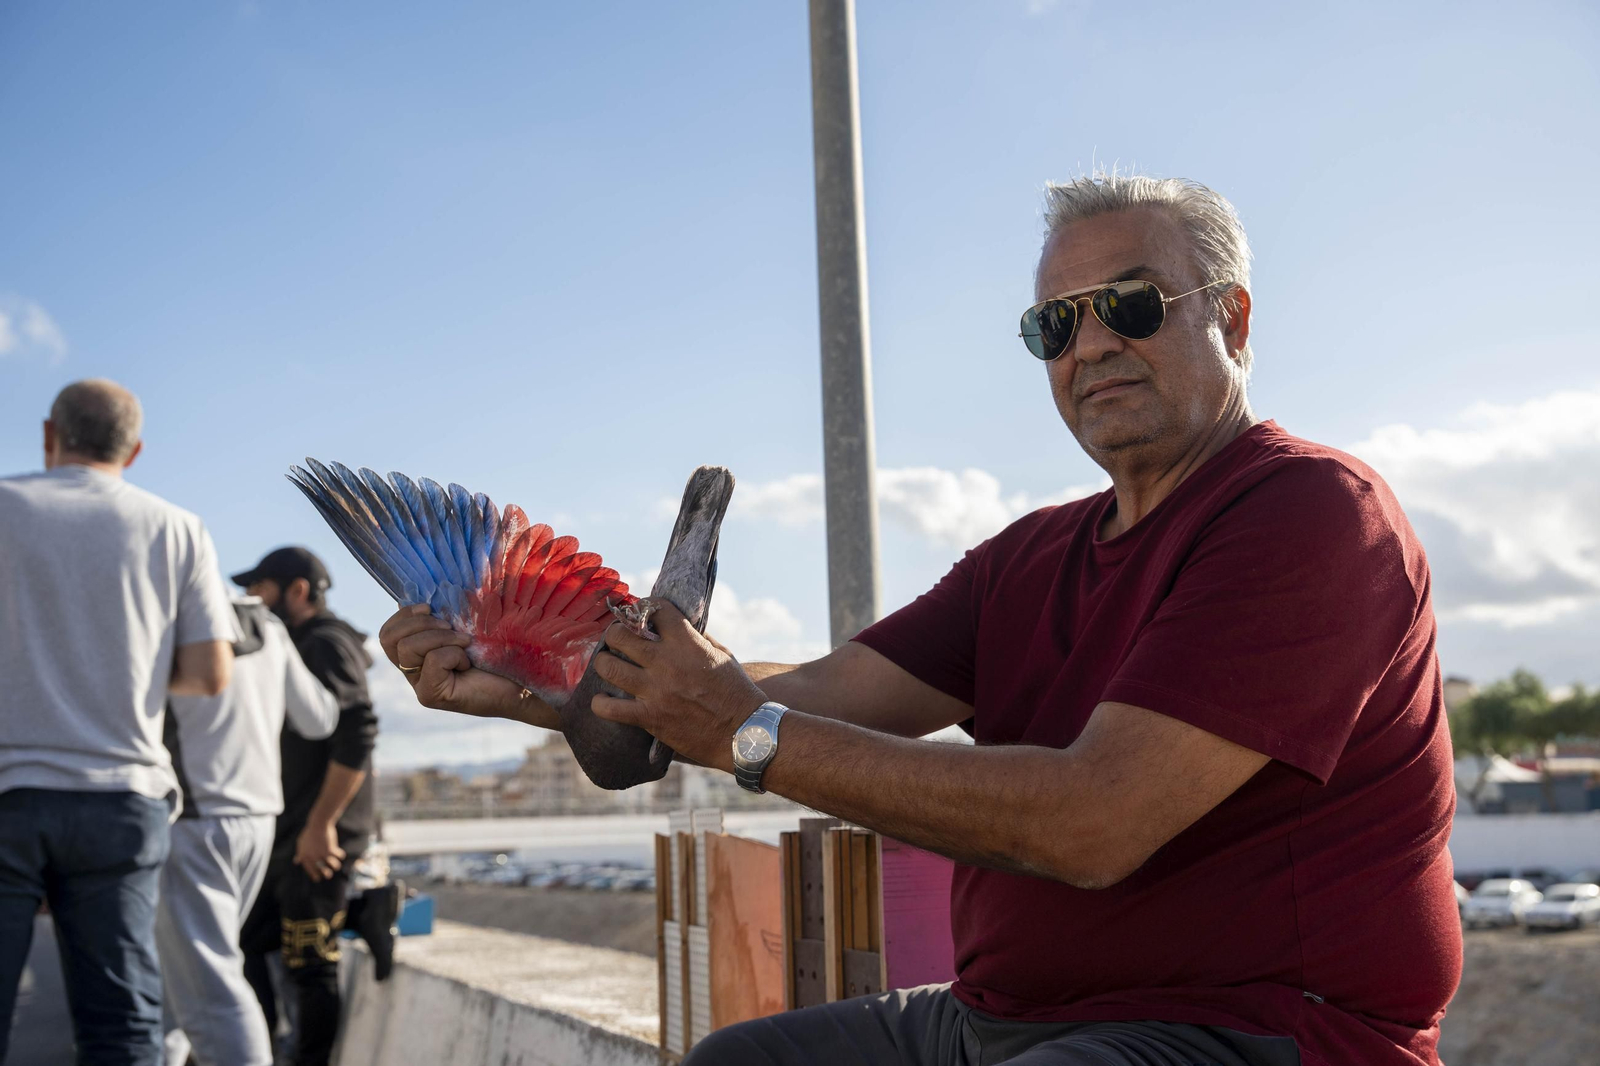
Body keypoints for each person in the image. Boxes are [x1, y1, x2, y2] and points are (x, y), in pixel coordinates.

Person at [381, 174, 1463, 1066]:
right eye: (1054, 324)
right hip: (1005, 1021)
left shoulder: (1309, 512)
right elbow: (808, 690)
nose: (1087, 347)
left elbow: (1093, 823)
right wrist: (540, 688)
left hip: (1258, 1032)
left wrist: (742, 736)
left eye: (1129, 305)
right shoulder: (1029, 556)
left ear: (1229, 317)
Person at [0, 379, 236, 1065]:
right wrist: (119, 668)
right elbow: (211, 673)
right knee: (122, 1022)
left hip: (7, 792)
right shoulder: (177, 527)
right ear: (133, 451)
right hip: (122, 798)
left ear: (50, 435)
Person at [158, 594, 339, 1066]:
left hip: (190, 823)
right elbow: (320, 719)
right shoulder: (270, 627)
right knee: (187, 979)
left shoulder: (167, 618)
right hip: (258, 820)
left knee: (207, 991)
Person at [235, 546, 381, 1066]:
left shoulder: (324, 644)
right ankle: (367, 908)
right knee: (248, 944)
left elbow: (357, 735)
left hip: (319, 834)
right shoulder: (288, 644)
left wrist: (322, 826)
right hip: (286, 829)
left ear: (297, 590)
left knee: (309, 961)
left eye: (261, 587)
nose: (251, 597)